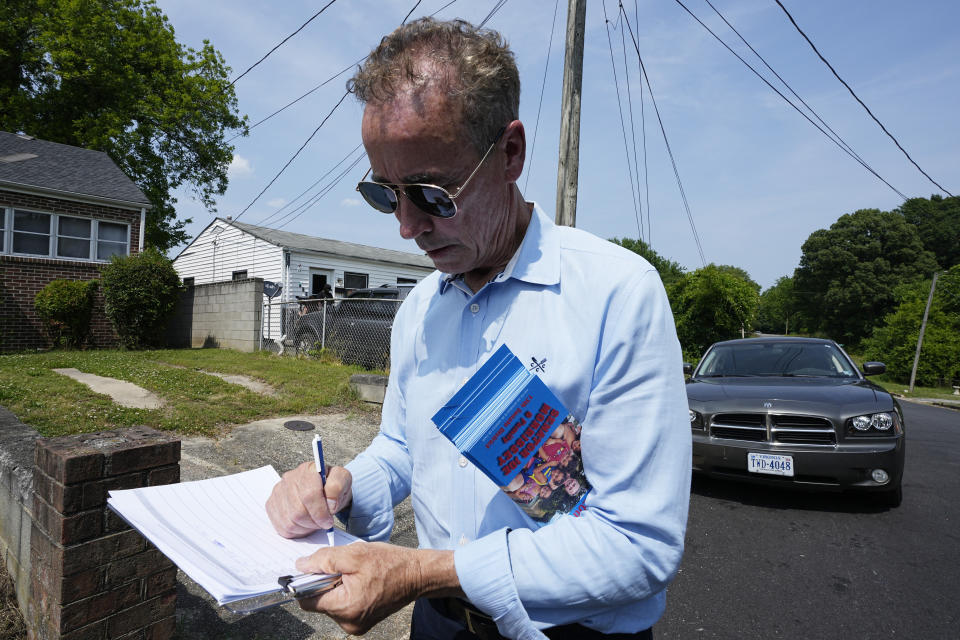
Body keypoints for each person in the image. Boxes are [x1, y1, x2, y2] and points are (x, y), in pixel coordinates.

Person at [265, 17, 690, 640]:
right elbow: (405, 449)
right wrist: (347, 488)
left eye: (432, 195)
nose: (407, 227)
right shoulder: (418, 311)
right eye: (386, 195)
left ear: (511, 153)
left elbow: (637, 544)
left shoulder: (616, 294)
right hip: (438, 626)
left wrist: (419, 572)